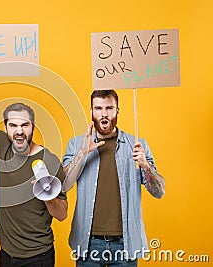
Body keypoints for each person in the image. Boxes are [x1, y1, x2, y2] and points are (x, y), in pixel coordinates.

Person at [0, 69, 68, 267]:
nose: (19, 131)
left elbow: (62, 214)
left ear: (33, 127)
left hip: (38, 256)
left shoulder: (49, 160)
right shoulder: (2, 145)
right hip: (6, 251)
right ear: (6, 129)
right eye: (13, 126)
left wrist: (49, 199)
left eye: (25, 125)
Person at [62, 89, 165, 266]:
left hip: (125, 244)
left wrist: (145, 164)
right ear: (91, 111)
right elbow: (64, 185)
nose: (104, 113)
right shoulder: (77, 144)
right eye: (98, 108)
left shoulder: (137, 145)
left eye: (109, 108)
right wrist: (82, 153)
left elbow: (159, 192)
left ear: (117, 110)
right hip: (88, 243)